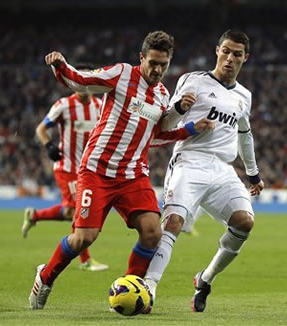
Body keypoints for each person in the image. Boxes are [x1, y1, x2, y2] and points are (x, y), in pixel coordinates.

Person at [29, 30, 215, 310]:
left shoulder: (163, 95)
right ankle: (45, 277)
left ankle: (130, 289)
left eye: (163, 64)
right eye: (152, 62)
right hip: (97, 171)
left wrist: (188, 128)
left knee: (153, 232)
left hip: (133, 175)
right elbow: (82, 80)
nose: (157, 69)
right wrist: (61, 66)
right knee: (83, 238)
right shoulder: (121, 74)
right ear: (141, 57)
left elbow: (155, 136)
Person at [144, 29, 264, 313]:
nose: (230, 58)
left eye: (237, 54)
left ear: (245, 58)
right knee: (173, 222)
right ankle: (149, 286)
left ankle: (205, 279)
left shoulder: (244, 97)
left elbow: (245, 135)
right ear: (217, 50)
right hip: (190, 160)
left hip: (223, 169)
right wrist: (178, 109)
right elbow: (164, 125)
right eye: (226, 51)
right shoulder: (194, 81)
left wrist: (253, 173)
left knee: (244, 222)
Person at [21, 66, 108, 272]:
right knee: (79, 210)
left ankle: (34, 216)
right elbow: (41, 129)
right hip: (68, 167)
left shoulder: (101, 106)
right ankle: (85, 260)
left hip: (90, 169)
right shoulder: (64, 105)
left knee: (70, 212)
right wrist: (49, 146)